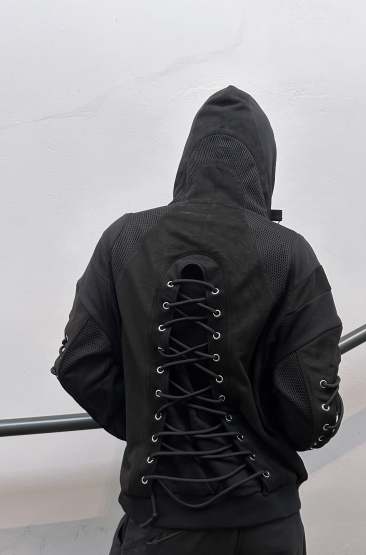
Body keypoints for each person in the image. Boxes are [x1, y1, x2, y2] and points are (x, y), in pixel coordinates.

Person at [50, 85, 344, 554]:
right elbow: (310, 414)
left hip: (160, 522)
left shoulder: (124, 240)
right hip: (265, 527)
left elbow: (80, 362)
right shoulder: (288, 253)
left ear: (189, 160)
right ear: (264, 165)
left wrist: (152, 421)